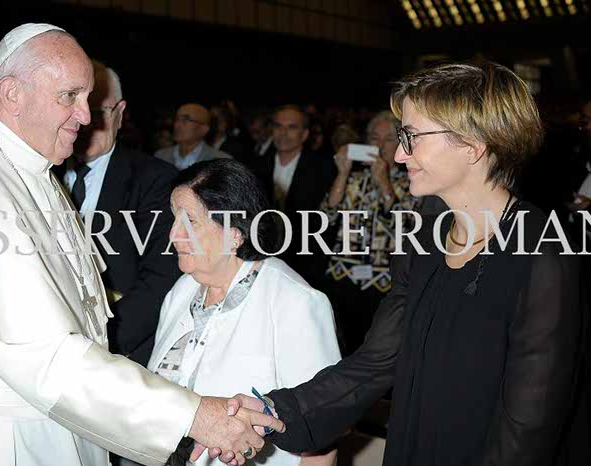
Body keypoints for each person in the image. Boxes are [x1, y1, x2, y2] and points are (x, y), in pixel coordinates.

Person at [0, 23, 282, 466]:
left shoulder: (29, 168)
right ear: (14, 93)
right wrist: (195, 416)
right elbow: (47, 359)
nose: (85, 116)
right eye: (69, 97)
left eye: (89, 99)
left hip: (44, 423)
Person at [225, 63, 585, 466]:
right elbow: (376, 361)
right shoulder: (423, 236)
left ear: (473, 144)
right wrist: (276, 412)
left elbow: (527, 428)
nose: (398, 154)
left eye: (411, 137)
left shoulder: (543, 254)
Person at [148, 159, 340, 466]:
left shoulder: (294, 301)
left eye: (191, 222)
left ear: (234, 232)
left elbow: (323, 435)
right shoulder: (181, 292)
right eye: (174, 218)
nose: (173, 235)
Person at [62, 59, 181, 367]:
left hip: (122, 355)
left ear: (120, 114)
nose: (85, 122)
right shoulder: (42, 174)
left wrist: (102, 347)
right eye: (75, 108)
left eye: (99, 111)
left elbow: (161, 277)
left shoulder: (156, 179)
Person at [322, 111, 419, 354]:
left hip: (384, 280)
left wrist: (383, 180)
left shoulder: (411, 182)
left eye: (388, 139)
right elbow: (327, 217)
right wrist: (342, 173)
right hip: (344, 273)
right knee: (342, 344)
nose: (379, 145)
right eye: (374, 138)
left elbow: (405, 226)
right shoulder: (354, 179)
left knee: (377, 348)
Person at [251, 105, 335, 286]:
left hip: (306, 261)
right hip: (263, 260)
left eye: (291, 127)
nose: (283, 133)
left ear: (304, 134)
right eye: (278, 126)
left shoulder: (323, 169)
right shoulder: (255, 166)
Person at [155, 103, 231, 170]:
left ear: (204, 128)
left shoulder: (220, 161)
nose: (177, 125)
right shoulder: (160, 156)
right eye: (177, 119)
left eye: (186, 120)